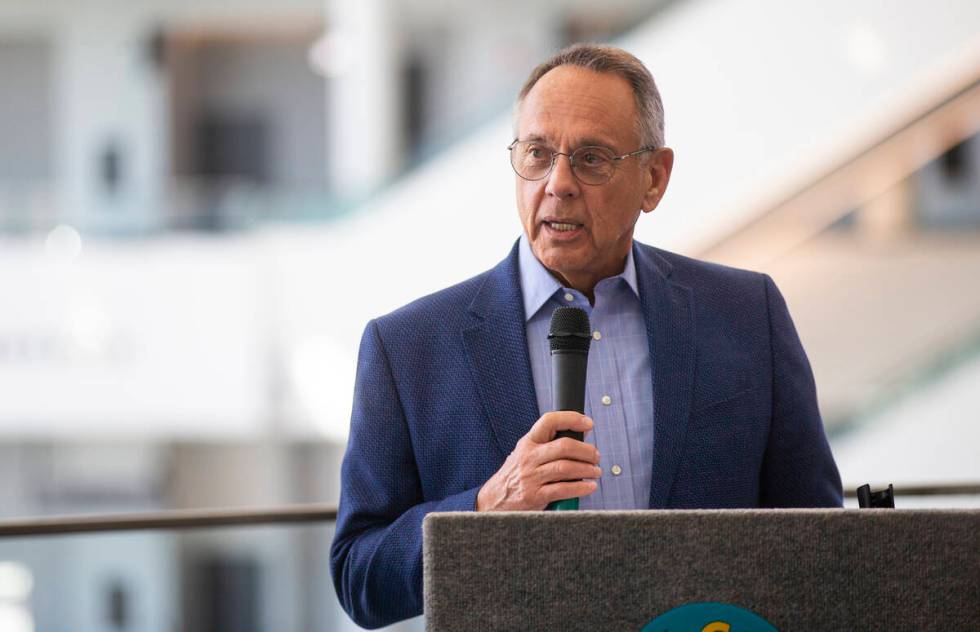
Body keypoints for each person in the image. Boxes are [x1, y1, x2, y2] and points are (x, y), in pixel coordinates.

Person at [330, 43, 842, 629]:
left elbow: (817, 541)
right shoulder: (409, 348)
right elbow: (358, 577)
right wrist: (483, 510)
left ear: (654, 178)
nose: (559, 183)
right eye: (537, 154)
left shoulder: (748, 316)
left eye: (592, 158)